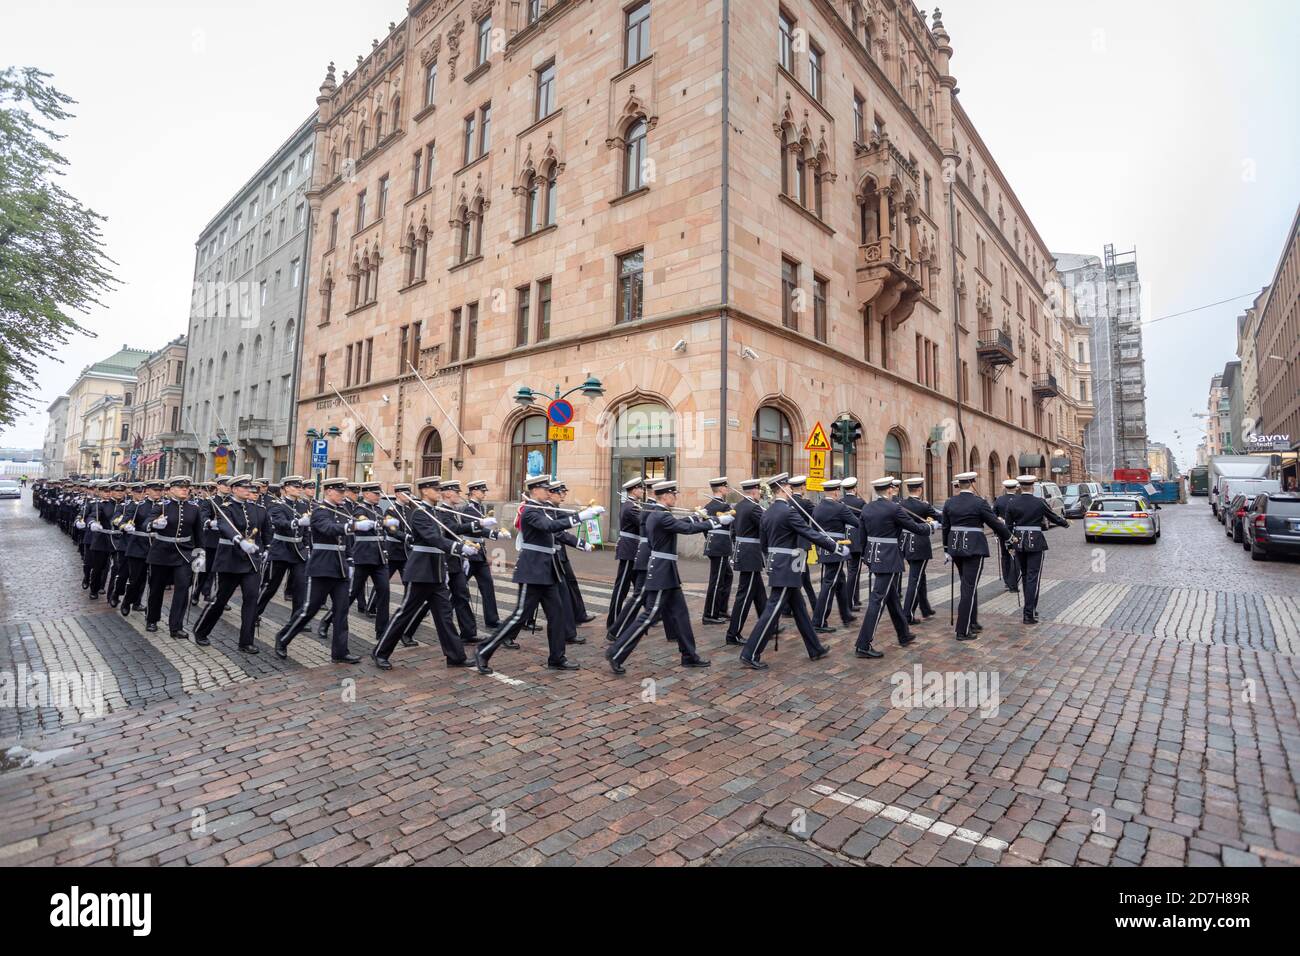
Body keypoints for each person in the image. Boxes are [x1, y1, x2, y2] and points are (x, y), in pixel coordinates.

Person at [474, 476, 604, 675]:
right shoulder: (529, 511)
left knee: (557, 614)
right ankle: (484, 650)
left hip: (546, 570)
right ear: (535, 490)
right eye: (546, 489)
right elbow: (549, 527)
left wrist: (580, 538)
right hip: (532, 570)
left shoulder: (542, 510)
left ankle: (557, 657)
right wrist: (581, 517)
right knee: (519, 616)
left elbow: (557, 530)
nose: (549, 492)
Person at [607, 480, 725, 674]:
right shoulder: (660, 515)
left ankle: (689, 655)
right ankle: (616, 651)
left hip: (667, 571)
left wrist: (697, 517)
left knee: (681, 615)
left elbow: (681, 523)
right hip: (661, 571)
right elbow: (685, 529)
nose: (675, 497)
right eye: (673, 494)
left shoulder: (659, 513)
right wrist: (715, 522)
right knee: (649, 616)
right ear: (665, 496)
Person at [372, 475, 480, 670]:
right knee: (404, 614)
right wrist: (458, 548)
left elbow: (449, 531)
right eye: (436, 490)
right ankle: (380, 652)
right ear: (425, 491)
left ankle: (455, 656)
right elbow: (433, 539)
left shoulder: (434, 512)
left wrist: (468, 539)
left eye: (440, 489)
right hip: (421, 571)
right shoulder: (420, 513)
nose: (439, 493)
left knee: (444, 616)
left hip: (436, 571)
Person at [739, 473, 844, 670]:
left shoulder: (768, 511)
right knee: (773, 609)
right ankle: (750, 652)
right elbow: (809, 532)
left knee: (800, 609)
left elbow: (764, 543)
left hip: (780, 563)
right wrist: (835, 546)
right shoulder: (788, 512)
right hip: (787, 565)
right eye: (788, 486)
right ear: (782, 488)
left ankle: (815, 648)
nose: (790, 489)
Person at [273, 477, 363, 664]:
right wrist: (352, 526)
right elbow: (328, 529)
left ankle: (340, 652)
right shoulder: (320, 511)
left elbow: (345, 542)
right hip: (322, 567)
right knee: (308, 610)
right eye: (339, 492)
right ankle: (283, 638)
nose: (342, 495)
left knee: (341, 611)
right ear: (329, 492)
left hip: (340, 569)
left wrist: (350, 560)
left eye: (343, 491)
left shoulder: (343, 510)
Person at [853, 476, 931, 658]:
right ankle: (863, 644)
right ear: (889, 490)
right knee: (877, 600)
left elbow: (862, 535)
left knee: (892, 597)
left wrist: (866, 556)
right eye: (892, 488)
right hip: (888, 557)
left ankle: (903, 634)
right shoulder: (894, 508)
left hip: (873, 555)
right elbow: (915, 528)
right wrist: (930, 526)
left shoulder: (867, 507)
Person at [192, 475, 269, 651]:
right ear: (234, 489)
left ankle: (246, 641)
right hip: (231, 560)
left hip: (251, 561)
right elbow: (225, 527)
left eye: (249, 487)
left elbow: (266, 531)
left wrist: (266, 549)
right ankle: (201, 630)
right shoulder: (226, 509)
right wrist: (239, 540)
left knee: (251, 599)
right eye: (244, 487)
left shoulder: (257, 509)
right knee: (220, 600)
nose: (248, 490)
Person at [940, 472, 1011, 642]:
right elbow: (994, 523)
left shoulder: (950, 502)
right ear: (972, 483)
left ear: (959, 484)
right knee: (969, 587)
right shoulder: (979, 503)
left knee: (968, 584)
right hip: (973, 548)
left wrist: (946, 548)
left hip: (955, 548)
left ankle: (972, 622)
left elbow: (945, 526)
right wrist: (1009, 537)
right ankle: (962, 630)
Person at [1004, 474, 1070, 624]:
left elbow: (1007, 527)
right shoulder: (1039, 502)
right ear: (1032, 487)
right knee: (1033, 577)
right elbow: (1052, 516)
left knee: (1026, 575)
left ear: (1020, 487)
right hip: (1035, 541)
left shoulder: (1013, 502)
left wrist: (1009, 544)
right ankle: (1029, 613)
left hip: (1018, 541)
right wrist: (1065, 523)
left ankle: (1030, 609)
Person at [145, 476, 203, 640]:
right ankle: (152, 619)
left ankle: (176, 626)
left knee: (183, 589)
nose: (185, 489)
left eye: (186, 487)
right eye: (180, 487)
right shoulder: (161, 506)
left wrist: (200, 556)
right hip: (161, 552)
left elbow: (199, 534)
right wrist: (155, 524)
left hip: (184, 553)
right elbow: (147, 523)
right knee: (156, 588)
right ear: (171, 490)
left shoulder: (194, 508)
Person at [257, 475, 311, 623]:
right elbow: (279, 522)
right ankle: (254, 613)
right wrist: (297, 522)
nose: (299, 489)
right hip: (280, 550)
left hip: (298, 551)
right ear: (286, 488)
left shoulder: (303, 505)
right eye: (296, 487)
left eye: (300, 487)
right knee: (270, 586)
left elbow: (306, 530)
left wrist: (306, 547)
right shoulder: (276, 505)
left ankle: (297, 619)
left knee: (301, 586)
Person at [346, 481, 392, 641]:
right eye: (375, 493)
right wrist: (385, 523)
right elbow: (365, 525)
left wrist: (394, 528)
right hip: (364, 557)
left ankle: (382, 630)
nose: (378, 496)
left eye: (379, 494)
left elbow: (385, 530)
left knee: (384, 592)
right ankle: (328, 620)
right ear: (366, 494)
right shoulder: (359, 509)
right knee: (351, 594)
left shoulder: (379, 509)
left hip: (379, 557)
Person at [812, 479, 860, 631]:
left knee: (840, 582)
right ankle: (818, 621)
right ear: (835, 492)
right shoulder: (840, 508)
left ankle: (845, 614)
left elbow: (814, 527)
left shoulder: (818, 508)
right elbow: (856, 522)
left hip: (824, 547)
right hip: (838, 548)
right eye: (838, 491)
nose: (839, 493)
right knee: (829, 583)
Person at [724, 479, 767, 647]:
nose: (760, 494)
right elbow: (765, 527)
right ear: (754, 491)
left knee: (759, 594)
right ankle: (733, 633)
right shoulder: (754, 508)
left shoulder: (739, 507)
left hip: (743, 552)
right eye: (759, 491)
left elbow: (733, 532)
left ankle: (768, 626)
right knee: (744, 595)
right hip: (751, 555)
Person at [462, 479, 504, 630]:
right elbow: (474, 529)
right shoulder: (468, 509)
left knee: (487, 586)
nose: (484, 493)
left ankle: (492, 619)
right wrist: (493, 533)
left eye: (484, 491)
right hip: (469, 552)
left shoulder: (479, 508)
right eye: (481, 491)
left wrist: (495, 534)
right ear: (473, 491)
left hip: (479, 553)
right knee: (458, 588)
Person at [899, 477, 941, 625]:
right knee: (915, 579)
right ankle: (907, 614)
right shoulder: (924, 506)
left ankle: (925, 608)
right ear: (920, 489)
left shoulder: (901, 504)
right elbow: (940, 517)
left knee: (919, 576)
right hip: (919, 544)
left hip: (905, 543)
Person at [608, 476, 646, 634]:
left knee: (641, 588)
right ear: (634, 489)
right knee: (621, 588)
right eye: (641, 488)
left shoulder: (633, 505)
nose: (643, 491)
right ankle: (614, 621)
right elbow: (644, 524)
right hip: (629, 550)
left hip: (633, 550)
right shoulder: (631, 507)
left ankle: (647, 617)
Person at [701, 477, 734, 624]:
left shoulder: (708, 506)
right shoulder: (724, 507)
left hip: (713, 544)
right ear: (721, 489)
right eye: (726, 487)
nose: (727, 489)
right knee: (717, 580)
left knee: (727, 575)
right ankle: (710, 614)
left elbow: (704, 527)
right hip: (720, 546)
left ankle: (721, 608)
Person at [841, 477, 867, 611]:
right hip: (856, 537)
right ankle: (850, 601)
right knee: (854, 571)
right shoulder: (860, 502)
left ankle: (855, 599)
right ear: (855, 488)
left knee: (852, 570)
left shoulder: (840, 501)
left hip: (844, 537)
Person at [992, 478, 1021, 592]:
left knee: (1005, 556)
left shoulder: (999, 500)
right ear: (1015, 488)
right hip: (1016, 532)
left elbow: (993, 518)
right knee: (1015, 556)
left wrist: (996, 532)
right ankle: (1013, 582)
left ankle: (1007, 581)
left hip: (1003, 533)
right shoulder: (1019, 499)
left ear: (1005, 488)